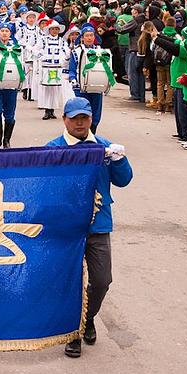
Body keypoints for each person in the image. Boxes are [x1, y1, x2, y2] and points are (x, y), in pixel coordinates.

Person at [45, 97, 133, 359]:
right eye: (74, 118)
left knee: (102, 280)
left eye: (84, 117)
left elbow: (124, 180)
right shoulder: (53, 149)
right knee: (69, 281)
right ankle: (73, 333)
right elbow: (43, 187)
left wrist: (118, 160)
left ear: (91, 119)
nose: (80, 122)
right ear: (65, 120)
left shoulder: (103, 147)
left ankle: (88, 317)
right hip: (65, 228)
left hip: (97, 224)